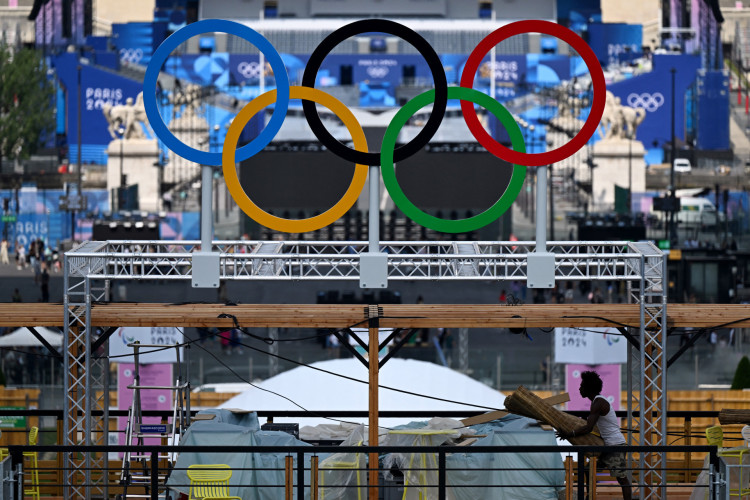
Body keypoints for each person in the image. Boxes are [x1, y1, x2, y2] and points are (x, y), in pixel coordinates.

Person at [557, 371, 632, 500]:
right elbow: (590, 423)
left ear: (588, 388)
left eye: (582, 386)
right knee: (588, 470)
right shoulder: (597, 402)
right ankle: (589, 496)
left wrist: (570, 434)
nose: (580, 388)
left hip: (614, 446)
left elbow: (588, 427)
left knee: (622, 479)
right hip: (607, 446)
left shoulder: (598, 403)